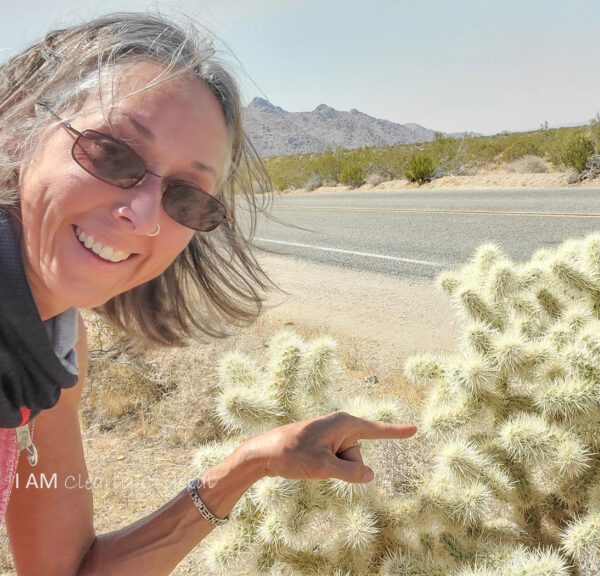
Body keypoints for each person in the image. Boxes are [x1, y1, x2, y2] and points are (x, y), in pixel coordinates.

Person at [0, 12, 417, 575]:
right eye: (112, 154)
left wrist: (248, 465)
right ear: (23, 130)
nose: (144, 216)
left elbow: (67, 571)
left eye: (185, 196)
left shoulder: (53, 347)